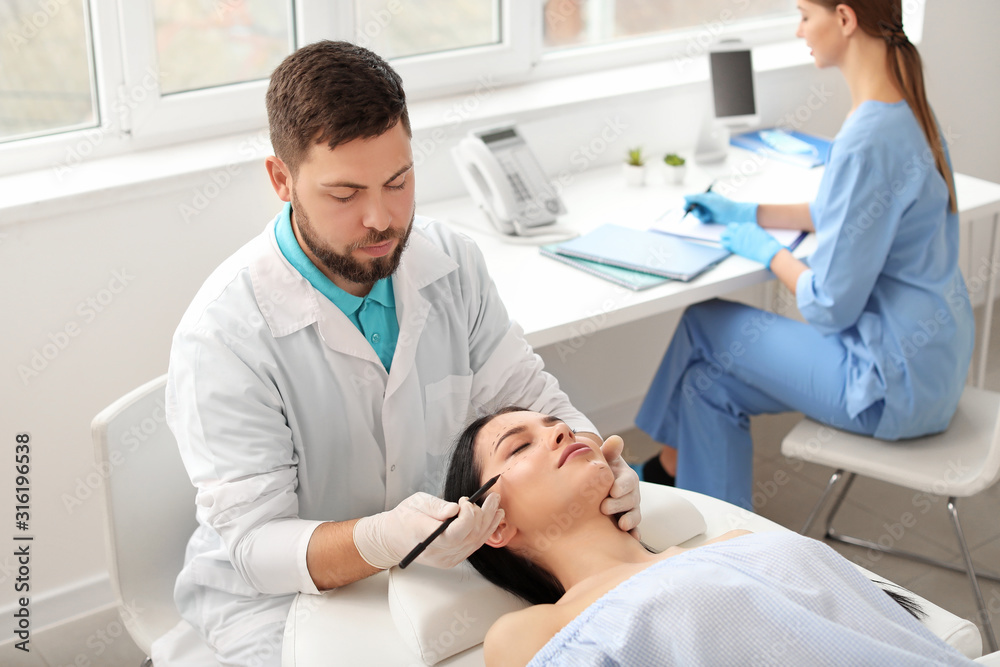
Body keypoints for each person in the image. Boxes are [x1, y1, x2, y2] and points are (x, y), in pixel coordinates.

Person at [156, 41, 640, 666]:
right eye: (344, 194)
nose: (380, 218)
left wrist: (596, 460)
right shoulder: (224, 337)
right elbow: (256, 548)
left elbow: (528, 398)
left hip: (436, 572)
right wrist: (382, 540)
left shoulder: (451, 264)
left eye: (398, 181)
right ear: (282, 180)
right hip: (280, 601)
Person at [635, 0, 974, 508]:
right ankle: (720, 543)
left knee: (703, 321)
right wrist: (748, 211)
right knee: (707, 386)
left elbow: (829, 305)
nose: (799, 30)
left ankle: (661, 469)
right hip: (934, 369)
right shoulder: (907, 111)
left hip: (888, 384)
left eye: (804, 15)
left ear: (844, 18)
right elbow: (845, 211)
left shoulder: (866, 139)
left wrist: (766, 251)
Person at [445, 407, 977, 666]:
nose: (559, 431)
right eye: (519, 447)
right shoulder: (536, 631)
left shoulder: (740, 540)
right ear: (496, 524)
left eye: (555, 422)